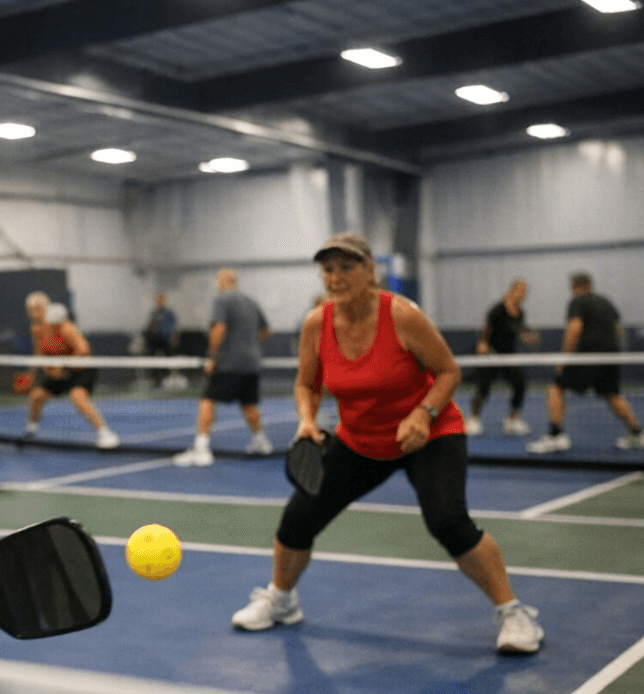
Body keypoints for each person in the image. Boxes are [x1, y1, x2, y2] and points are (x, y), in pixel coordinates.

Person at [231, 233, 544, 655]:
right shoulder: (316, 323)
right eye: (328, 269)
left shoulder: (401, 316)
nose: (336, 277)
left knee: (448, 522)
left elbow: (449, 371)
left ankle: (514, 613)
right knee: (299, 518)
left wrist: (423, 413)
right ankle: (282, 601)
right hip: (360, 440)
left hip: (429, 435)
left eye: (347, 267)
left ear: (369, 271)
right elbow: (307, 382)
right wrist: (307, 421)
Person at [526, 272, 644, 453]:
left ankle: (555, 436)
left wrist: (564, 358)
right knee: (611, 394)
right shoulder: (605, 302)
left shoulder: (578, 301)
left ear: (575, 287)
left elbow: (574, 329)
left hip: (590, 356)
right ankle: (639, 434)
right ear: (590, 285)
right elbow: (618, 330)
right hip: (610, 355)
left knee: (555, 387)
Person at [173, 268, 272, 466]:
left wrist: (212, 358)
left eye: (218, 280)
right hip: (251, 363)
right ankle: (261, 442)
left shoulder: (222, 300)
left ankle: (201, 450)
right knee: (249, 403)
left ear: (224, 281)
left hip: (229, 363)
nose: (217, 284)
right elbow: (266, 330)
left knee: (207, 400)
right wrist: (250, 345)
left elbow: (219, 328)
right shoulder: (251, 302)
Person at [22, 291, 119, 449]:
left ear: (46, 308)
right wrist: (44, 371)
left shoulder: (63, 325)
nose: (33, 312)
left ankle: (105, 433)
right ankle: (31, 431)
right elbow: (40, 353)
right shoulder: (36, 329)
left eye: (37, 308)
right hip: (59, 369)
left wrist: (63, 365)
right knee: (36, 396)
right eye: (30, 309)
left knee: (77, 396)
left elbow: (84, 350)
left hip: (81, 368)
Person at [465, 278, 539, 436]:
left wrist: (529, 338)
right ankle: (473, 420)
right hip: (490, 354)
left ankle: (512, 420)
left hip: (508, 356)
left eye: (525, 291)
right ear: (513, 290)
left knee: (520, 384)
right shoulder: (498, 308)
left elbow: (520, 332)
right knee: (483, 389)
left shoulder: (520, 312)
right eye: (521, 290)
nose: (524, 293)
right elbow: (487, 327)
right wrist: (483, 343)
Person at [140, 292, 178, 387]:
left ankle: (167, 377)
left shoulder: (169, 313)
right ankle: (154, 378)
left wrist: (174, 338)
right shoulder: (154, 313)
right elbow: (150, 326)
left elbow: (175, 327)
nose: (160, 301)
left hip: (166, 340)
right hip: (155, 339)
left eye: (162, 299)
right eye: (159, 299)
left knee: (168, 359)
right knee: (152, 357)